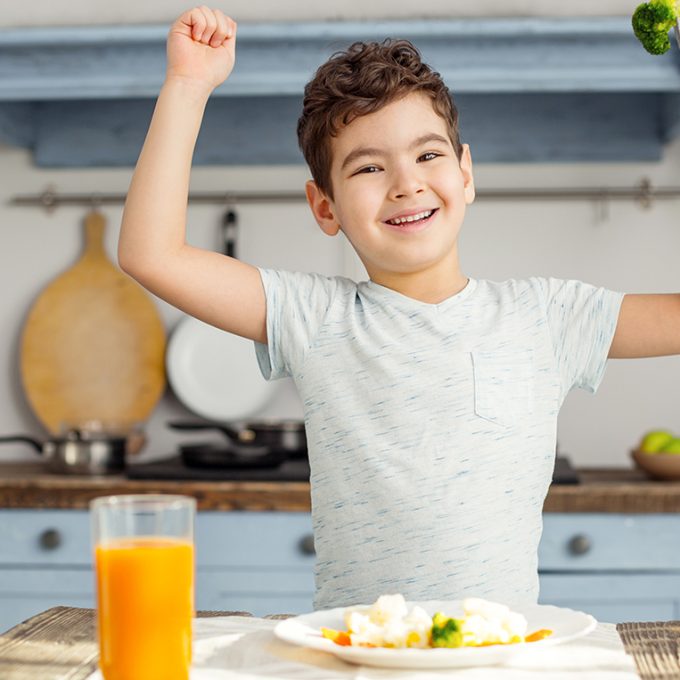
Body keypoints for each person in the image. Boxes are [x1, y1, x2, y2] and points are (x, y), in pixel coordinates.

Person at [119, 6, 680, 611]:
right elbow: (151, 254)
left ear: (465, 174)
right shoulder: (314, 318)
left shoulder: (550, 316)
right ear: (325, 207)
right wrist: (187, 85)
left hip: (499, 660)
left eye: (429, 156)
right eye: (367, 167)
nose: (406, 183)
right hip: (357, 659)